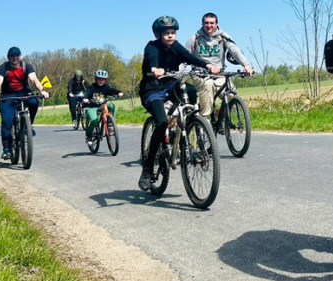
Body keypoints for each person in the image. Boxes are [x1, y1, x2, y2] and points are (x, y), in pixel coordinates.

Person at [138, 16, 219, 192]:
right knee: (161, 122)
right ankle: (147, 168)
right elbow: (152, 59)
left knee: (190, 91)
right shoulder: (152, 46)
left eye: (173, 32)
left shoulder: (176, 46)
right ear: (158, 35)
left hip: (170, 84)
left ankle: (189, 130)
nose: (170, 36)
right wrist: (154, 69)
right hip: (152, 90)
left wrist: (207, 66)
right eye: (166, 33)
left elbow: (189, 57)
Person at [184, 12, 254, 118]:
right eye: (206, 23)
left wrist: (246, 65)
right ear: (202, 24)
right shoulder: (195, 38)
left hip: (219, 74)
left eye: (212, 23)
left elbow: (235, 51)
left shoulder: (223, 37)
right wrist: (177, 73)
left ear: (216, 24)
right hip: (200, 74)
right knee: (207, 86)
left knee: (231, 94)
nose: (209, 25)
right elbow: (185, 57)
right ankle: (205, 119)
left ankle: (222, 114)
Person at [0, 47, 50, 160]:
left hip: (24, 92)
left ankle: (29, 125)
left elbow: (34, 79)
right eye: (12, 56)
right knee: (7, 122)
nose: (14, 58)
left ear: (20, 56)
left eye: (17, 55)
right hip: (8, 95)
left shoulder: (26, 66)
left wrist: (42, 90)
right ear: (8, 57)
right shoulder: (2, 68)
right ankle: (7, 149)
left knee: (34, 102)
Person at [82, 69, 124, 138]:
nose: (101, 81)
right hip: (91, 107)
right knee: (94, 121)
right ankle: (89, 135)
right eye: (99, 79)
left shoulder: (105, 87)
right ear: (96, 79)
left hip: (101, 105)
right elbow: (87, 93)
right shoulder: (92, 87)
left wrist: (118, 92)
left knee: (111, 106)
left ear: (105, 80)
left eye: (103, 79)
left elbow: (111, 90)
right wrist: (85, 98)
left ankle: (110, 123)